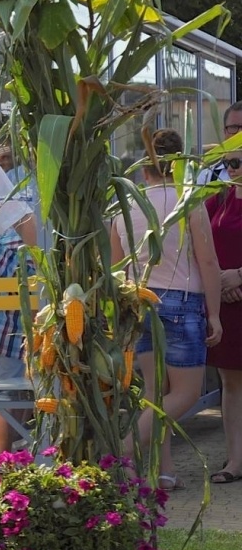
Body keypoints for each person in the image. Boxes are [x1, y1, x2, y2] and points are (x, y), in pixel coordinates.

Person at [113, 128, 223, 490]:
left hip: (139, 301)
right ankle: (123, 451)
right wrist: (215, 313)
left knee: (155, 394)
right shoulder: (187, 201)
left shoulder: (126, 206)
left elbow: (117, 268)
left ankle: (162, 471)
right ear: (180, 165)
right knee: (186, 394)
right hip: (181, 301)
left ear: (145, 166)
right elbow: (207, 261)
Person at [0, 141, 39, 453]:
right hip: (7, 325)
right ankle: (3, 453)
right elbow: (24, 221)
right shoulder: (11, 244)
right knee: (7, 384)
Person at [207, 146, 242, 483]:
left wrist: (239, 275)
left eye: (238, 162)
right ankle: (235, 460)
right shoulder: (219, 198)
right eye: (228, 162)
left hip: (236, 289)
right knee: (231, 383)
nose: (232, 168)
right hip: (229, 306)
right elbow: (198, 243)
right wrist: (220, 279)